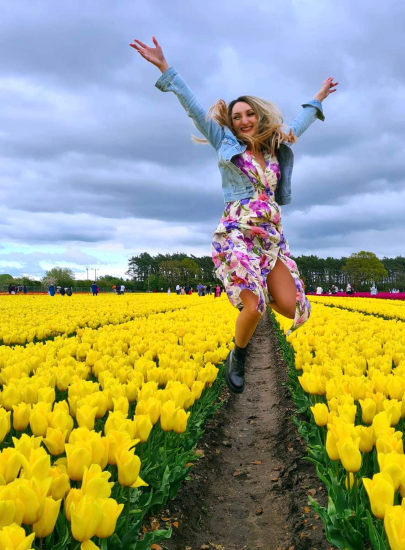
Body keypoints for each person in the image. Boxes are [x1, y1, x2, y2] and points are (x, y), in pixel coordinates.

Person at [131, 35, 337, 394]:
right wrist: (166, 68)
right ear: (231, 121)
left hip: (271, 236)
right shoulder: (224, 143)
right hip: (238, 232)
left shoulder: (276, 145)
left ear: (259, 116)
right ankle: (238, 354)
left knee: (291, 307)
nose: (243, 120)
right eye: (236, 116)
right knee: (254, 305)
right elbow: (194, 108)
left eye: (249, 114)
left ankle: (259, 289)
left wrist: (317, 99)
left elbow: (299, 126)